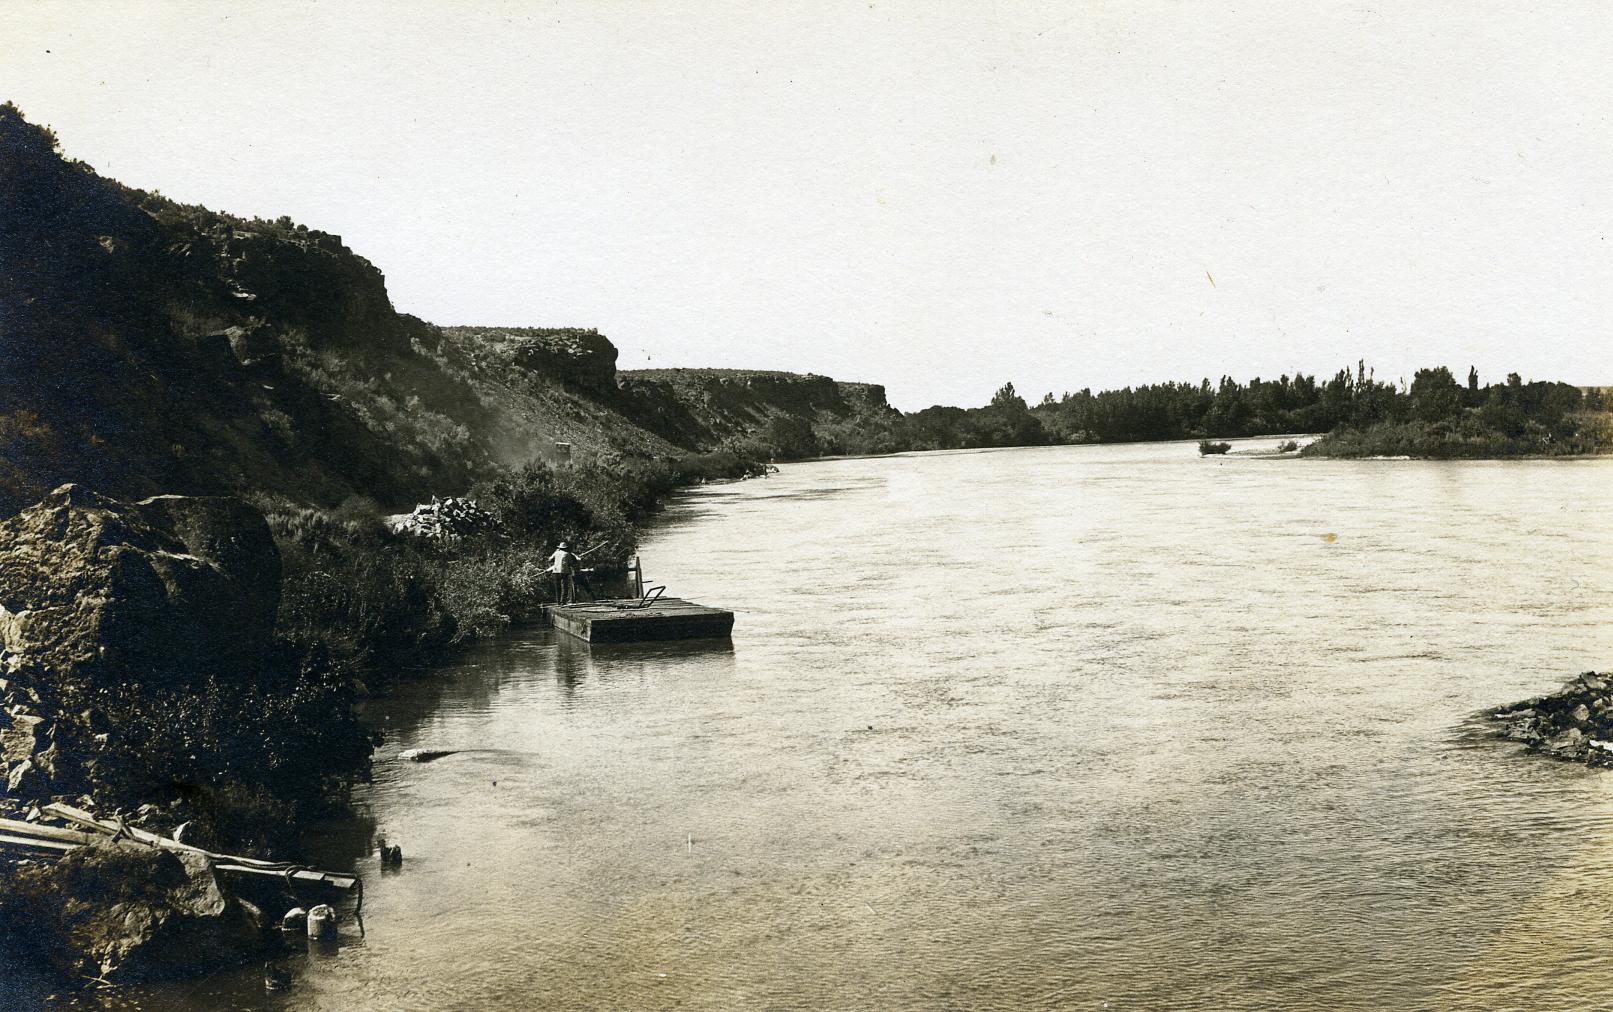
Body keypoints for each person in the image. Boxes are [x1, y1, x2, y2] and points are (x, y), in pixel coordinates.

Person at [549, 541, 579, 605]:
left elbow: (550, 559)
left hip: (556, 571)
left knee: (557, 587)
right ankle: (563, 601)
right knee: (564, 587)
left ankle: (558, 602)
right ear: (565, 548)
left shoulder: (556, 553)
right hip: (564, 572)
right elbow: (571, 563)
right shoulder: (567, 554)